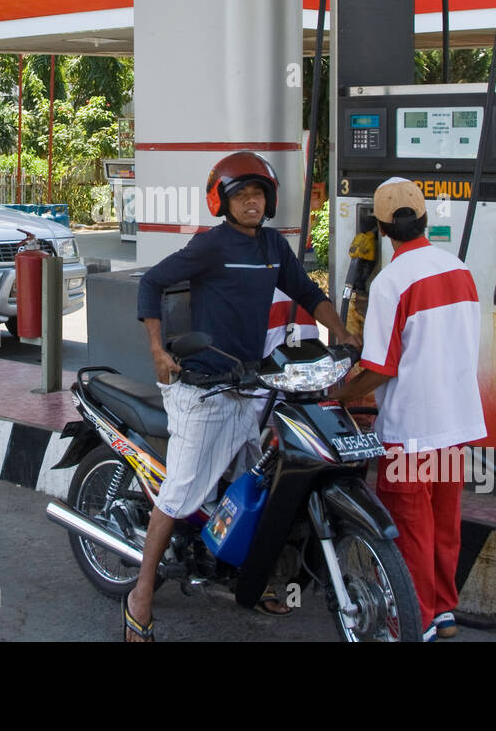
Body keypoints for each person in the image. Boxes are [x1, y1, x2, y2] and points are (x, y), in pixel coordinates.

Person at [124, 150, 360, 641]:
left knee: (260, 485)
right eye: (242, 195)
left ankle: (254, 575)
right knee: (181, 491)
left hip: (248, 385)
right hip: (202, 388)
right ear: (223, 202)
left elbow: (306, 292)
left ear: (270, 200)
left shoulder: (274, 245)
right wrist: (157, 350)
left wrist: (340, 331)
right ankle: (141, 594)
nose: (251, 203)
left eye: (258, 195)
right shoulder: (212, 245)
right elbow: (152, 282)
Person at [328, 177, 486, 642]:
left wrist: (340, 393)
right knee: (444, 524)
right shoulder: (458, 268)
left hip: (410, 430)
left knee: (409, 527)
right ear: (424, 219)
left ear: (379, 228)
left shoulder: (391, 282)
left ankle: (417, 618)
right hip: (455, 424)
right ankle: (444, 613)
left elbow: (381, 367)